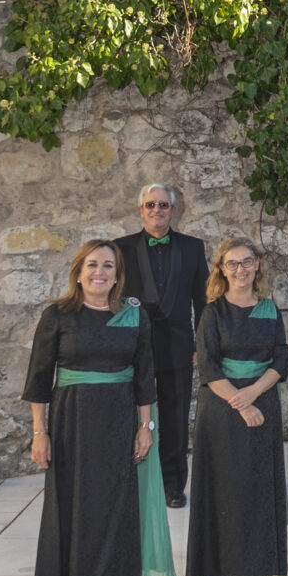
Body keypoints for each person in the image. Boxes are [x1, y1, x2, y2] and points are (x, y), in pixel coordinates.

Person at [24, 239, 168, 576]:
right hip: (73, 426)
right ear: (78, 271)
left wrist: (146, 427)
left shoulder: (133, 316)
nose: (99, 272)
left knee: (116, 517)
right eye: (92, 265)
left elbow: (145, 375)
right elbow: (38, 379)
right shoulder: (58, 316)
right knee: (80, 518)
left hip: (121, 423)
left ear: (118, 274)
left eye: (108, 265)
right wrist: (40, 433)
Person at [184, 239, 288, 576]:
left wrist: (256, 393)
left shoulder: (268, 309)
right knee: (226, 490)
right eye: (232, 264)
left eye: (247, 262)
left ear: (258, 265)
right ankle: (222, 572)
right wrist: (242, 403)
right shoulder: (213, 313)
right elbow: (209, 367)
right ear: (221, 270)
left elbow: (281, 360)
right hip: (223, 409)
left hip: (263, 403)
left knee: (259, 487)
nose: (241, 269)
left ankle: (256, 565)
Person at [112, 183, 207, 508]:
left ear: (173, 210)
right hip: (132, 346)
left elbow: (202, 300)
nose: (157, 210)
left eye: (163, 205)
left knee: (176, 418)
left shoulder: (194, 248)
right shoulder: (120, 249)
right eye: (151, 205)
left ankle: (173, 486)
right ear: (141, 210)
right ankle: (128, 482)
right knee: (128, 414)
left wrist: (201, 342)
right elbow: (114, 299)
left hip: (178, 345)